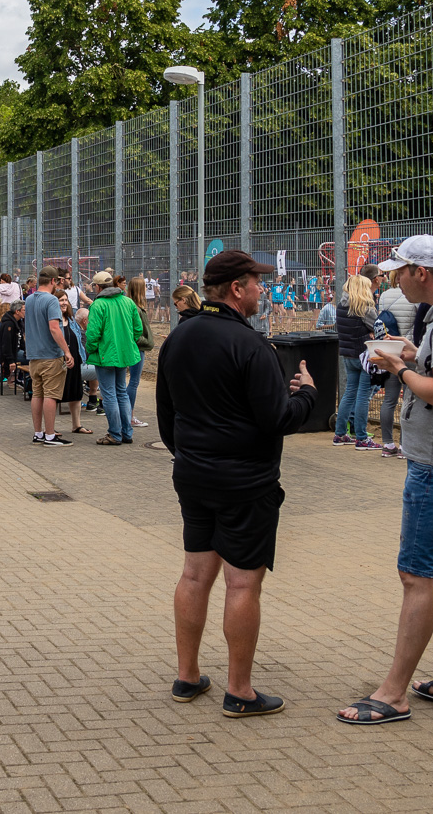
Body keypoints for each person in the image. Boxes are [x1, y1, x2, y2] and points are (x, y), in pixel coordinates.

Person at [339, 235, 433, 725]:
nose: (392, 278)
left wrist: (400, 367)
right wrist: (414, 352)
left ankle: (393, 693)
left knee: (416, 575)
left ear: (421, 273)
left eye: (398, 271)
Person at [157, 250, 316, 718]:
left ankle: (187, 676)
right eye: (256, 283)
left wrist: (189, 454)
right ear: (236, 290)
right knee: (243, 583)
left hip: (194, 474)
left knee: (193, 573)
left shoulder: (178, 338)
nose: (262, 290)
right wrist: (306, 393)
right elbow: (277, 419)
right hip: (247, 481)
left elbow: (168, 416)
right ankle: (240, 690)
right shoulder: (251, 346)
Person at [85, 270, 145, 445]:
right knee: (122, 392)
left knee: (109, 394)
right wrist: (128, 343)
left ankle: (115, 434)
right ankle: (126, 432)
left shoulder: (98, 305)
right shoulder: (128, 302)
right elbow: (138, 329)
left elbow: (93, 334)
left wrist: (92, 350)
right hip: (124, 354)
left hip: (105, 355)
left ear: (97, 287)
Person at [24, 266, 75, 446]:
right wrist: (67, 351)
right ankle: (51, 435)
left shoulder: (29, 299)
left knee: (37, 393)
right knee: (51, 395)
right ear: (54, 281)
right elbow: (54, 328)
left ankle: (38, 432)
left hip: (34, 356)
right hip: (50, 355)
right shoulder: (51, 300)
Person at [332, 274, 381, 451]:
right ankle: (361, 437)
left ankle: (339, 434)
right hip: (364, 356)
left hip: (347, 355)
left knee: (349, 393)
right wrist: (371, 333)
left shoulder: (341, 306)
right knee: (362, 397)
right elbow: (378, 328)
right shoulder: (365, 308)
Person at [376, 270, 416, 457]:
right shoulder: (413, 296)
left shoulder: (384, 296)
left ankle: (387, 443)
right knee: (409, 399)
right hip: (408, 351)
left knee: (389, 399)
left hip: (391, 350)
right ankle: (405, 445)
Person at [56, 293, 92, 436]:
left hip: (75, 361)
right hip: (59, 362)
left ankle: (76, 425)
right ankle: (50, 427)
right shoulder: (53, 321)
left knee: (76, 392)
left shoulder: (71, 320)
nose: (64, 303)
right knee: (56, 393)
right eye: (60, 300)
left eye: (66, 300)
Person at [125, 277, 153, 429]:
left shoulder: (131, 305)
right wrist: (146, 342)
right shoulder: (135, 307)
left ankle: (128, 414)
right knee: (134, 382)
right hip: (138, 347)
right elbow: (135, 331)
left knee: (130, 382)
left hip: (136, 347)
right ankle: (129, 415)